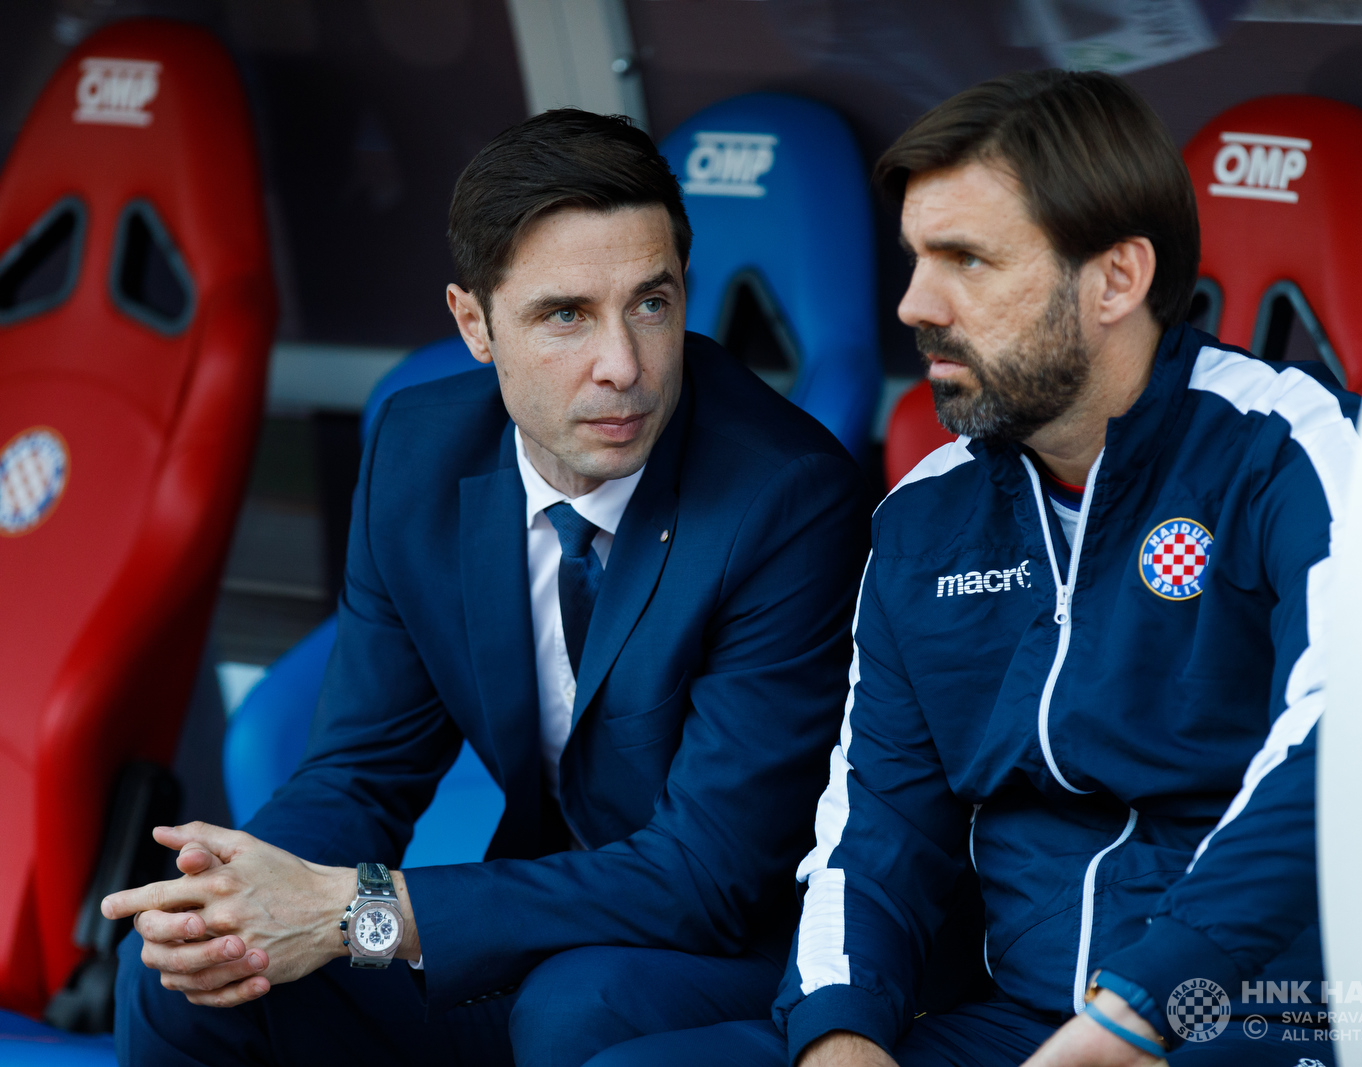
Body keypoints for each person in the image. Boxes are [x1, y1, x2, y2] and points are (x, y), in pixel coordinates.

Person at [588, 69, 1362, 1067]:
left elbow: (1337, 741)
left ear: (1115, 279)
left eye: (966, 259)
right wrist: (839, 1028)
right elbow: (874, 830)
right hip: (1022, 1020)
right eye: (915, 257)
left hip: (1265, 1018)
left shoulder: (1292, 449)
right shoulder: (926, 515)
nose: (915, 302)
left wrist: (1138, 1011)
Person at [107, 109, 869, 1067]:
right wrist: (239, 898)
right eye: (566, 315)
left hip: (732, 949)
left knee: (573, 1006)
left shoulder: (785, 497)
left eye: (651, 302)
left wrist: (359, 913)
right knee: (192, 974)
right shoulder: (418, 451)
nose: (624, 365)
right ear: (475, 323)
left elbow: (706, 874)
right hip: (527, 925)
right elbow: (361, 770)